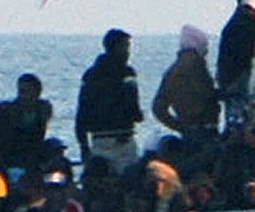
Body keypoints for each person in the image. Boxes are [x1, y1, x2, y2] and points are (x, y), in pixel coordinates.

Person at [75, 30, 143, 171]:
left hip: (100, 139)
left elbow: (82, 113)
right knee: (128, 181)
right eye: (124, 47)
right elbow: (134, 108)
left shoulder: (91, 75)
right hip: (124, 138)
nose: (127, 52)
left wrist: (83, 146)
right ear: (115, 47)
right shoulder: (127, 73)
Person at [215, 0, 255, 130]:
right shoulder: (244, 23)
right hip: (238, 78)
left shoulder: (245, 21)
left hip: (238, 78)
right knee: (239, 119)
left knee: (240, 119)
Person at [153, 24, 219, 146]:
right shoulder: (195, 66)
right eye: (205, 46)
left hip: (191, 130)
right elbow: (206, 94)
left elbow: (158, 108)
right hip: (203, 130)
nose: (206, 51)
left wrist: (181, 127)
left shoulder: (172, 71)